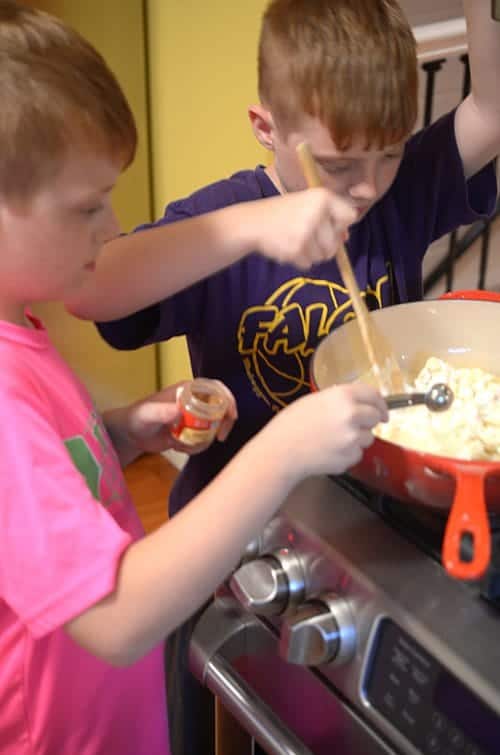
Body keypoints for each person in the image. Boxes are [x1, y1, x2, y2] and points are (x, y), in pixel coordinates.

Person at [66, 1, 500, 752]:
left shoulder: (392, 193)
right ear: (267, 127)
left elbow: (492, 109)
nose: (366, 189)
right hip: (231, 543)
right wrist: (250, 230)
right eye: (338, 165)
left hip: (359, 527)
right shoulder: (222, 222)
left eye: (389, 154)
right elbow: (93, 284)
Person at [0, 3, 391, 754]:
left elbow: (44, 483)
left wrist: (117, 431)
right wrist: (282, 450)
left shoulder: (21, 331)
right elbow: (114, 617)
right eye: (87, 206)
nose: (111, 228)